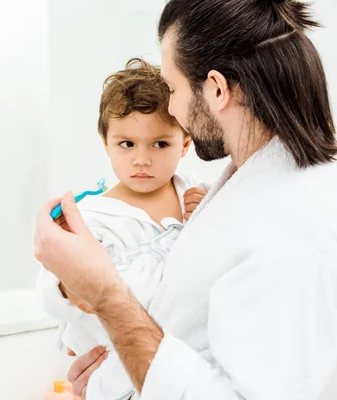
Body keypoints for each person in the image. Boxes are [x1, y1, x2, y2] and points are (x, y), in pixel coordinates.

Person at [34, 0, 337, 399]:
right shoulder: (244, 190)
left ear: (217, 89)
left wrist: (107, 296)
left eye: (173, 88)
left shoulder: (290, 226)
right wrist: (115, 377)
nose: (173, 107)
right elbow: (191, 339)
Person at [36, 58, 206, 399]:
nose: (142, 159)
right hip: (117, 367)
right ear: (106, 142)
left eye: (160, 144)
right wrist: (67, 286)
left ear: (186, 143)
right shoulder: (91, 216)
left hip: (187, 362)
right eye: (127, 144)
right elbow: (48, 286)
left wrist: (207, 216)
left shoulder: (196, 196)